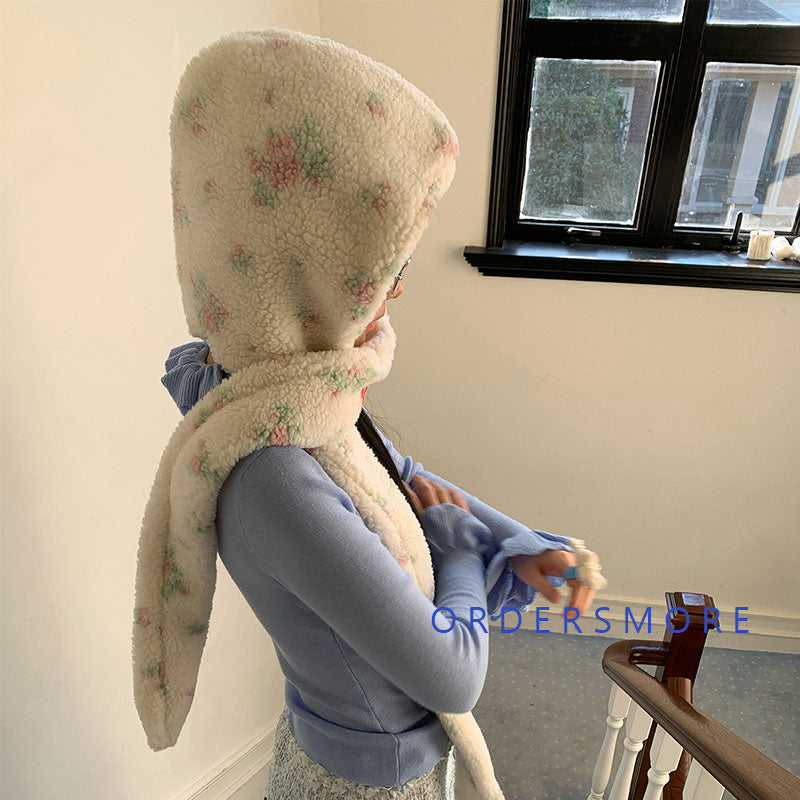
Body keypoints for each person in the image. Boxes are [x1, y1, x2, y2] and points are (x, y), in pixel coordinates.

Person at [135, 28, 606, 800]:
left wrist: (521, 542)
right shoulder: (273, 476)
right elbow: (453, 677)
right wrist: (460, 551)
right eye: (383, 270)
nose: (397, 291)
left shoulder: (287, 396)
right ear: (302, 271)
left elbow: (399, 473)